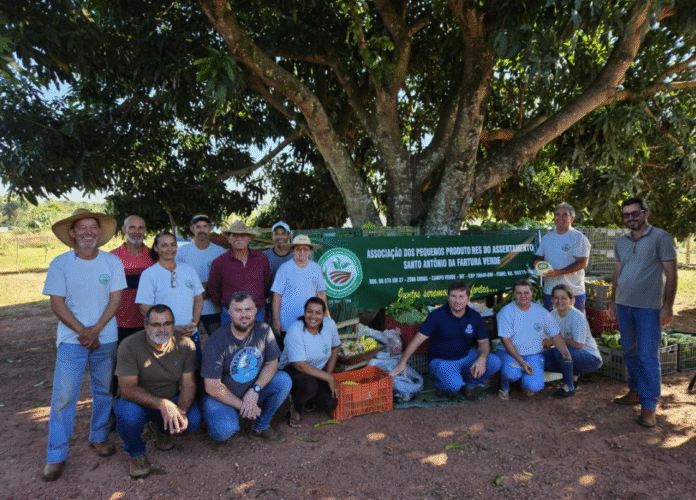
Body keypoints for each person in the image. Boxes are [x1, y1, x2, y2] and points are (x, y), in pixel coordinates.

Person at [41, 209, 126, 481]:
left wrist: (96, 329)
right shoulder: (61, 263)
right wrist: (83, 332)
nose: (88, 232)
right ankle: (56, 454)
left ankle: (99, 436)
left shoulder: (112, 262)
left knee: (103, 391)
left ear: (99, 232)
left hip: (106, 337)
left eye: (93, 227)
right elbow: (57, 303)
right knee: (64, 397)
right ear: (72, 233)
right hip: (71, 341)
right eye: (82, 228)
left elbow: (115, 299)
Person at [608, 197, 677, 427]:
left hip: (649, 308)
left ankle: (649, 406)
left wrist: (667, 306)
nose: (631, 218)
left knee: (647, 355)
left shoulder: (661, 237)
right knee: (629, 351)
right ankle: (635, 390)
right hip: (623, 305)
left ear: (645, 213)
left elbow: (672, 273)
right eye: (626, 214)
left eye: (635, 213)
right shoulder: (621, 242)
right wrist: (612, 301)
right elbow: (618, 272)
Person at [114, 304, 202, 478]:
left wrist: (181, 411)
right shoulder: (129, 345)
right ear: (146, 325)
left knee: (192, 420)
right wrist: (162, 404)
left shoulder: (185, 345)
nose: (162, 329)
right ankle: (136, 453)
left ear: (173, 325)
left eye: (167, 324)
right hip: (138, 403)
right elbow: (127, 389)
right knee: (127, 415)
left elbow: (188, 384)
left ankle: (163, 429)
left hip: (171, 398)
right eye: (156, 324)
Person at [201, 292, 291, 442]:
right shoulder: (215, 341)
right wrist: (244, 405)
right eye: (238, 310)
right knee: (223, 432)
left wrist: (255, 389)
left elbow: (272, 363)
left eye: (248, 309)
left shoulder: (264, 330)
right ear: (229, 312)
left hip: (251, 390)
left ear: (255, 310)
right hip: (223, 396)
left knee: (283, 380)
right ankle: (225, 418)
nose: (244, 315)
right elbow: (212, 387)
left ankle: (261, 426)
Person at [390, 281, 501, 400]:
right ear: (448, 297)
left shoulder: (474, 316)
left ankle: (470, 385)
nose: (457, 300)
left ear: (468, 298)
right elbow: (417, 339)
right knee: (454, 386)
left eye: (461, 296)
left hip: (466, 356)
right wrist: (403, 361)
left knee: (495, 362)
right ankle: (441, 386)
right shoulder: (436, 316)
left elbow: (483, 342)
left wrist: (482, 358)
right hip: (442, 361)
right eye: (453, 296)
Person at [495, 279, 573, 400]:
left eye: (526, 292)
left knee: (535, 386)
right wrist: (522, 362)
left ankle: (525, 383)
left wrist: (564, 351)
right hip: (509, 353)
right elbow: (506, 341)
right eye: (519, 293)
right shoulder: (506, 312)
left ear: (531, 293)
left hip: (533, 355)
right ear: (513, 294)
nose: (523, 296)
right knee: (511, 374)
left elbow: (555, 335)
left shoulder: (541, 312)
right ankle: (505, 386)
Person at [135, 231, 204, 358]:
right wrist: (172, 327)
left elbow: (198, 299)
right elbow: (144, 308)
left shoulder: (189, 270)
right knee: (166, 370)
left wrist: (194, 323)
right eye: (164, 245)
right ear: (156, 248)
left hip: (190, 335)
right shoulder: (149, 274)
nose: (170, 249)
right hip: (163, 337)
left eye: (173, 245)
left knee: (194, 368)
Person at [279, 297, 340, 427]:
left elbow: (335, 347)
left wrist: (328, 373)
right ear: (304, 312)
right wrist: (328, 377)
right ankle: (295, 409)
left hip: (315, 370)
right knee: (310, 386)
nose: (313, 316)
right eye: (309, 311)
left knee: (330, 403)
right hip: (291, 369)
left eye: (318, 313)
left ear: (323, 315)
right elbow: (299, 365)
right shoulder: (295, 330)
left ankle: (307, 400)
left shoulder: (330, 325)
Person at [542, 284, 602, 396]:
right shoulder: (551, 316)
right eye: (556, 297)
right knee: (540, 359)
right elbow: (545, 341)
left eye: (564, 298)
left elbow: (579, 345)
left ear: (571, 300)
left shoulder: (577, 316)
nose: (559, 301)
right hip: (571, 353)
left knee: (559, 350)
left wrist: (557, 340)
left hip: (590, 357)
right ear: (552, 299)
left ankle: (568, 386)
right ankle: (574, 377)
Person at [207, 220, 271, 326]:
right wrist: (227, 305)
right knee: (230, 338)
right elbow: (213, 289)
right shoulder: (219, 262)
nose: (239, 238)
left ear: (249, 238)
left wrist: (258, 302)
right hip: (230, 315)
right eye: (235, 235)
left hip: (257, 313)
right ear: (229, 239)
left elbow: (267, 284)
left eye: (243, 235)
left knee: (257, 338)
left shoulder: (261, 259)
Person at [533, 202, 591, 311]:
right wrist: (538, 263)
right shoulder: (547, 237)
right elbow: (538, 256)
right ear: (554, 218)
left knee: (574, 321)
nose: (560, 217)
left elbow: (582, 262)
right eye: (557, 214)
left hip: (573, 292)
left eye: (565, 214)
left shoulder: (578, 237)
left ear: (572, 218)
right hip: (550, 291)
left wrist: (559, 272)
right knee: (552, 321)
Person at [271, 234, 329, 344]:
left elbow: (321, 294)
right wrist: (276, 321)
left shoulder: (316, 268)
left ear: (310, 251)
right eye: (298, 249)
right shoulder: (284, 269)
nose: (302, 252)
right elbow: (277, 296)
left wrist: (326, 316)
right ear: (293, 250)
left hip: (311, 321)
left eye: (305, 249)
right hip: (288, 322)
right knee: (289, 352)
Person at [176, 214, 226, 334]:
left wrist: (208, 288)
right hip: (189, 308)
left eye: (205, 226)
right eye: (198, 227)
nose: (201, 230)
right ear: (192, 229)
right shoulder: (182, 252)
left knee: (217, 339)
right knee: (187, 340)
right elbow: (176, 278)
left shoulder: (220, 252)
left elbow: (225, 280)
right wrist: (200, 288)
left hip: (213, 308)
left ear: (210, 228)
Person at [111, 215, 155, 343]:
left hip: (148, 321)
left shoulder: (154, 256)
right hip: (120, 322)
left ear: (145, 230)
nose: (136, 231)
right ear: (124, 229)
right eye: (132, 227)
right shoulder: (112, 257)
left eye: (140, 227)